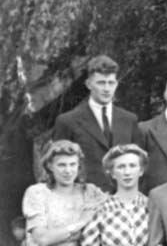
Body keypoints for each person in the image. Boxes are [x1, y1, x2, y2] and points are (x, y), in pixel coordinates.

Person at [50, 54, 140, 193]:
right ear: (89, 84)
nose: (106, 89)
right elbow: (58, 166)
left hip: (122, 198)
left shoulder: (129, 120)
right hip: (83, 198)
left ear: (116, 84)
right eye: (101, 83)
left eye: (111, 83)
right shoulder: (67, 121)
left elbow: (138, 163)